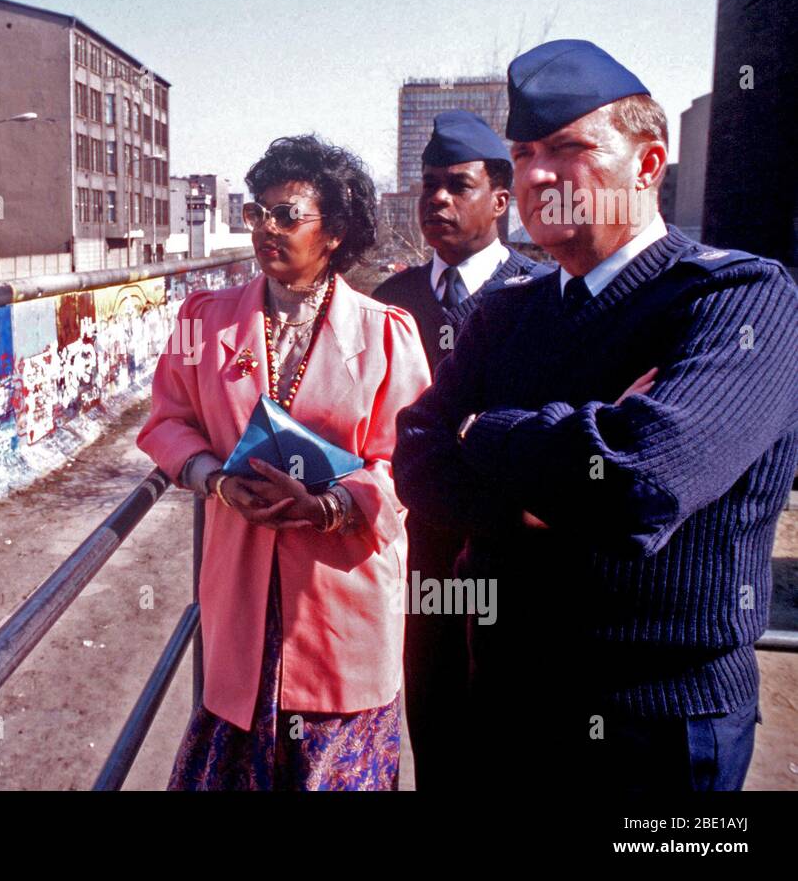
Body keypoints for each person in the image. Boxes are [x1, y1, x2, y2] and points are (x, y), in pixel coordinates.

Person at [392, 39, 798, 791]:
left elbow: (638, 484)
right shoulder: (508, 313)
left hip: (658, 731)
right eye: (524, 152)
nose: (539, 173)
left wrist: (484, 431)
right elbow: (416, 461)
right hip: (506, 708)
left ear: (648, 164)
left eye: (568, 147)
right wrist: (565, 472)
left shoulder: (736, 300)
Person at [137, 134, 431, 790]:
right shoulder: (205, 320)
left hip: (339, 601)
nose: (265, 229)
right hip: (241, 595)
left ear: (335, 232)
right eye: (255, 212)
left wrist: (334, 505)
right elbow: (166, 421)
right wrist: (212, 479)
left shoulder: (387, 334)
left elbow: (413, 464)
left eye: (286, 214)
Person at [373, 110, 549, 790]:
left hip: (518, 565)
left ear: (502, 200)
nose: (437, 200)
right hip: (418, 569)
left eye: (457, 186)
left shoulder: (539, 298)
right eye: (428, 187)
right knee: (437, 740)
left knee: (516, 751)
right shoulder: (391, 303)